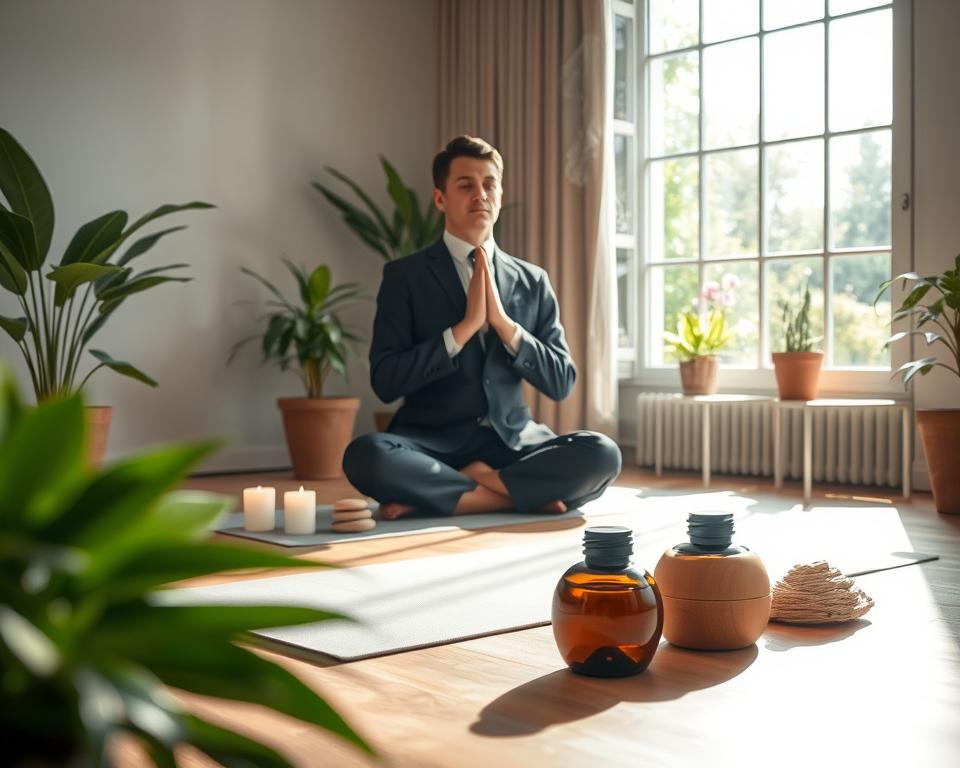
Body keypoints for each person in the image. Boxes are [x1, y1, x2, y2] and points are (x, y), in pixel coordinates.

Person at [343, 135, 621, 519]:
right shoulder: (404, 277)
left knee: (602, 454)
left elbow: (561, 381)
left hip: (513, 441)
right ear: (440, 199)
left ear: (501, 195)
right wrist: (463, 330)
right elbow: (386, 381)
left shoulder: (533, 280)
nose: (481, 195)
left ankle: (452, 492)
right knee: (366, 456)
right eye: (465, 185)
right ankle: (512, 492)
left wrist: (506, 328)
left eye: (489, 184)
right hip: (430, 441)